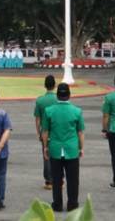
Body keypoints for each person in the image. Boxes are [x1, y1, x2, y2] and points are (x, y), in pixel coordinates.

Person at [42, 83, 84, 212]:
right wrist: (81, 148)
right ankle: (72, 204)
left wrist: (45, 147)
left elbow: (45, 131)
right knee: (73, 179)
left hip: (55, 148)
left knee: (56, 179)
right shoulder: (77, 111)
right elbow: (80, 132)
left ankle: (57, 204)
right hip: (71, 149)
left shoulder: (49, 111)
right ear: (69, 95)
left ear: (57, 95)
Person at [34, 75, 59, 190]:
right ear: (54, 85)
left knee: (46, 155)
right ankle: (59, 179)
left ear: (45, 85)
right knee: (59, 155)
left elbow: (37, 119)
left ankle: (49, 180)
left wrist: (38, 132)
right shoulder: (58, 99)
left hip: (45, 131)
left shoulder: (40, 100)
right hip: (57, 131)